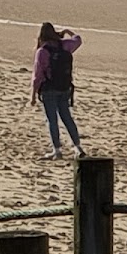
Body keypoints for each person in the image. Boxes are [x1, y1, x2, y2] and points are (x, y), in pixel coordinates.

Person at [29, 22, 85, 160]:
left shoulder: (42, 51)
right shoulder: (64, 46)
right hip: (64, 88)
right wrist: (67, 31)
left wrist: (33, 96)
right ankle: (77, 147)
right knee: (67, 117)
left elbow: (37, 76)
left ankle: (57, 150)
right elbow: (78, 40)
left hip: (49, 89)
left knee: (52, 120)